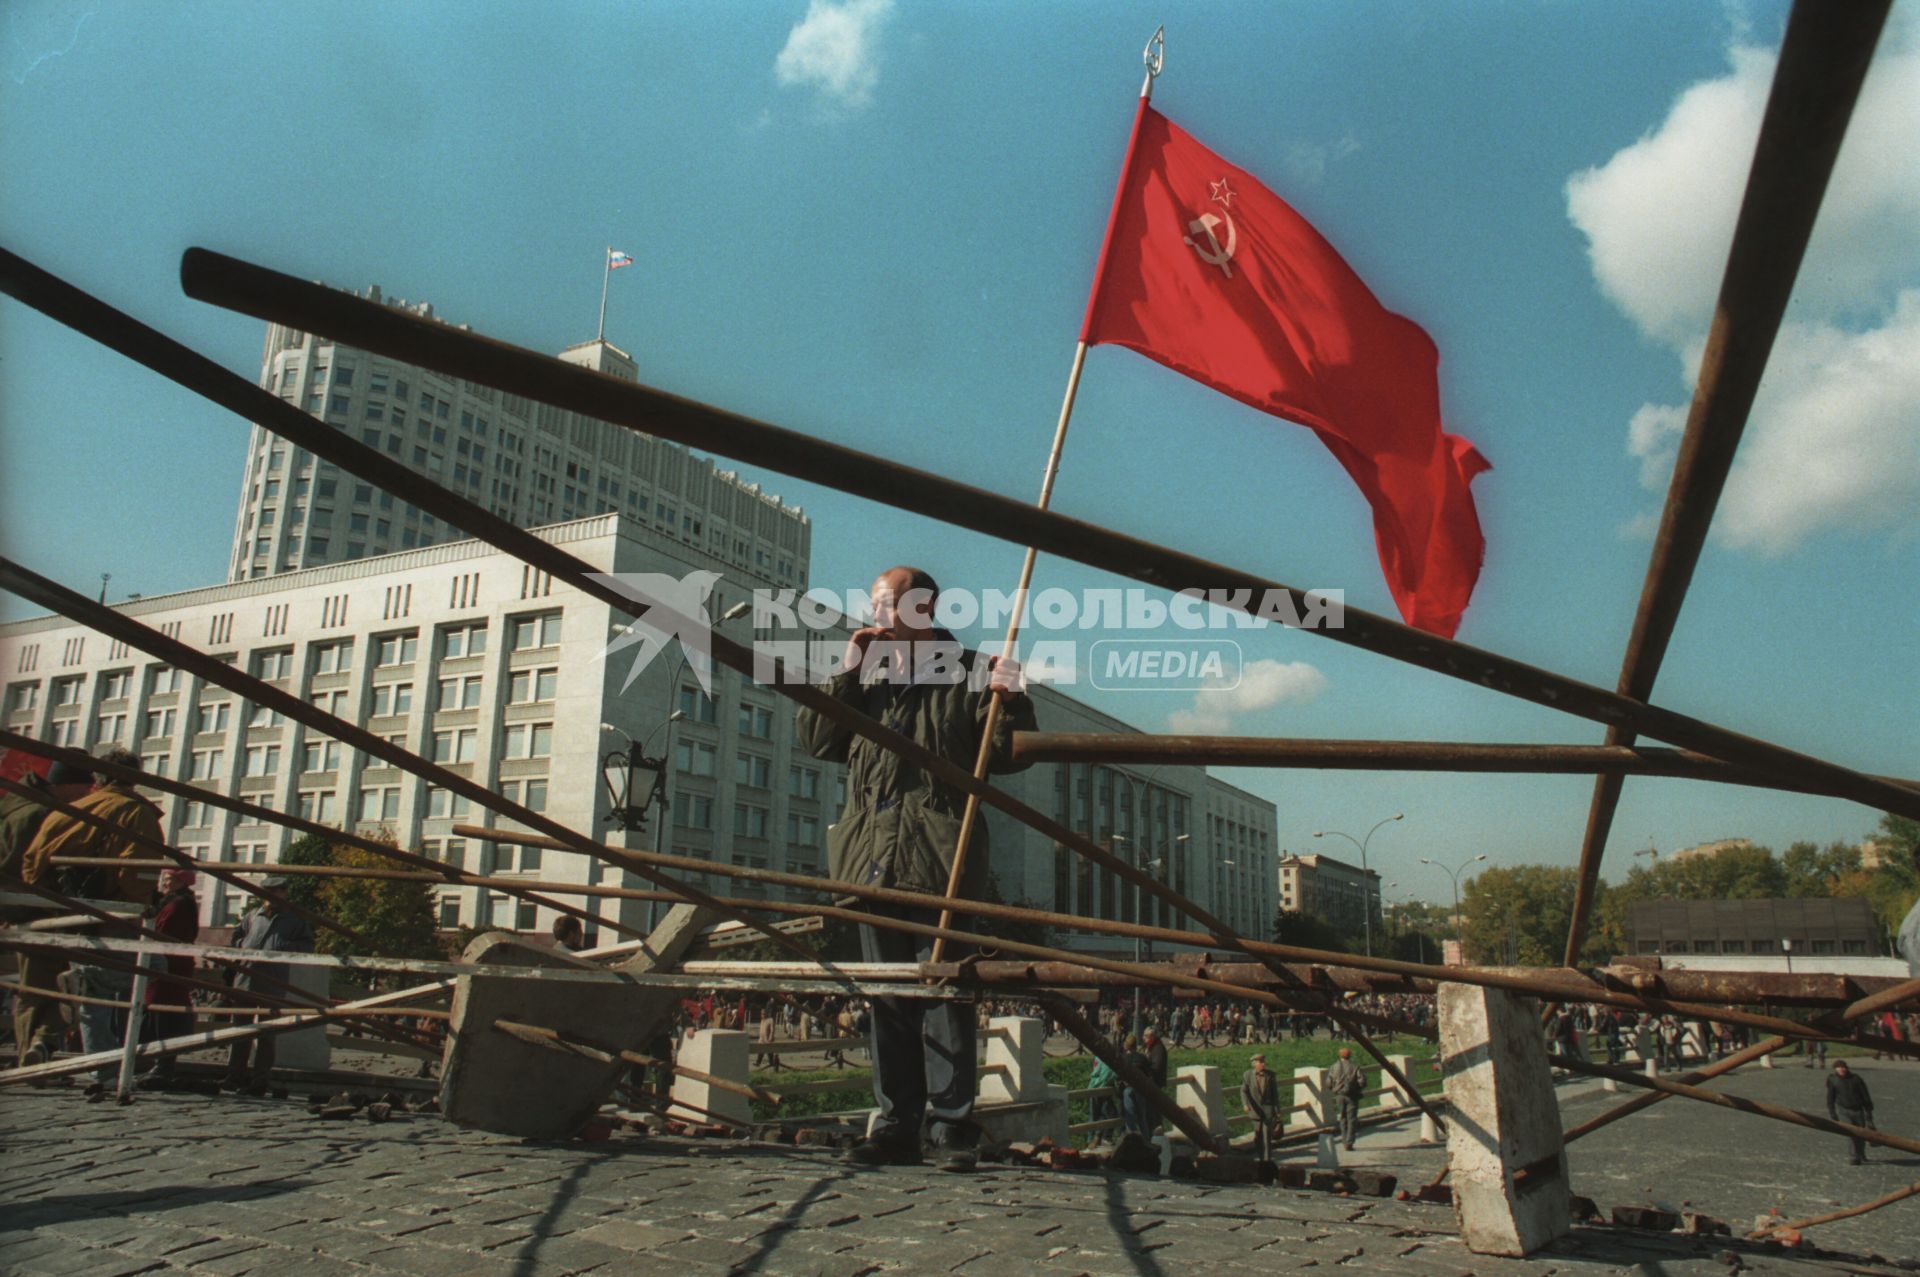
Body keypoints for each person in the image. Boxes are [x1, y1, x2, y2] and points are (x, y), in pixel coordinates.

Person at [796, 565, 1035, 1173]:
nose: (873, 617)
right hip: (871, 859)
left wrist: (1014, 699)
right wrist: (846, 672)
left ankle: (952, 1125)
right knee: (888, 996)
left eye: (885, 605)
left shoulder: (974, 670)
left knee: (944, 993)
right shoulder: (867, 678)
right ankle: (897, 1122)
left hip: (939, 857)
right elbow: (817, 740)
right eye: (872, 606)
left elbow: (1005, 756)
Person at [19, 748, 164, 1083]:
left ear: (96, 778)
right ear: (135, 777)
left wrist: (58, 902)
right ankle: (85, 985)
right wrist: (138, 907)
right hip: (115, 911)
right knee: (154, 969)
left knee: (91, 1001)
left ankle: (103, 1068)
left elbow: (31, 864)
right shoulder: (134, 811)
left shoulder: (69, 811)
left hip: (70, 912)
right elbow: (136, 871)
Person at [3, 760, 97, 1067]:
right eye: (85, 786)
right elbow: (25, 868)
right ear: (67, 784)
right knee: (42, 988)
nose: (88, 792)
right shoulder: (38, 814)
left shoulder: (19, 807)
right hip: (35, 912)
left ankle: (39, 1049)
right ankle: (34, 1057)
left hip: (24, 910)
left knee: (44, 987)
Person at [221, 878, 316, 1095]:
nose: (271, 895)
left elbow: (307, 946)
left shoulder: (294, 919)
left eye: (276, 891)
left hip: (272, 981)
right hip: (245, 979)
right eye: (267, 891)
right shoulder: (253, 916)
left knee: (267, 1035)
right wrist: (242, 947)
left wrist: (284, 947)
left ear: (284, 893)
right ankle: (234, 1075)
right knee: (240, 1032)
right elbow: (236, 937)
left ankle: (260, 1080)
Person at [137, 866, 200, 1093]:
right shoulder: (172, 902)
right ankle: (157, 1060)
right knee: (158, 1011)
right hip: (166, 963)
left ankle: (163, 1063)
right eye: (163, 878)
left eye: (170, 879)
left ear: (182, 882)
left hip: (170, 965)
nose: (164, 882)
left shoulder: (179, 905)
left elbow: (166, 932)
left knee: (164, 1013)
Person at [1825, 1061, 1875, 1165]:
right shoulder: (1833, 1080)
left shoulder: (1856, 1079)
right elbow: (1830, 1098)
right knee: (1851, 1133)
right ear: (1835, 1069)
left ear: (1846, 1068)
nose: (1841, 1069)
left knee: (1861, 1134)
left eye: (1843, 1067)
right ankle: (1854, 1157)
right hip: (1844, 1110)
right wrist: (1832, 1112)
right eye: (1838, 1068)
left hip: (1858, 1110)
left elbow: (1865, 1096)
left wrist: (1869, 1112)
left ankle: (1861, 1154)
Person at [1240, 1052, 1281, 1162]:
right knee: (1258, 1136)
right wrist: (1245, 1104)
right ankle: (1260, 1155)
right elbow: (1243, 1091)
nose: (1263, 1064)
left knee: (1267, 1137)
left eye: (1263, 1062)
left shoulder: (1271, 1075)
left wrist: (1277, 1111)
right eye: (1260, 1062)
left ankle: (1266, 1160)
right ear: (1254, 1064)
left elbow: (1275, 1094)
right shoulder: (1247, 1075)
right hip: (1255, 1111)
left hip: (1268, 1111)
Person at [1327, 1046, 1365, 1151]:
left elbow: (1328, 1082)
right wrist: (1357, 1087)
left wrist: (1334, 1088)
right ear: (1350, 1055)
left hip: (1339, 1095)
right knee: (1351, 1119)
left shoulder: (1333, 1067)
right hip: (1352, 1095)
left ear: (1340, 1055)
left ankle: (1344, 1140)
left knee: (1342, 1118)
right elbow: (1362, 1081)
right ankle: (1349, 1142)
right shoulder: (1355, 1066)